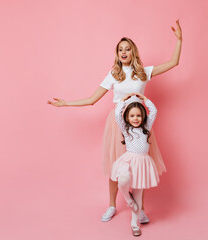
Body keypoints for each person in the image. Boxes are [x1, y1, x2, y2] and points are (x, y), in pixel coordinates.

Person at [47, 20, 182, 223]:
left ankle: (141, 209)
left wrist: (179, 40)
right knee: (115, 167)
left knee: (138, 166)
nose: (124, 52)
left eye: (128, 49)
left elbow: (173, 63)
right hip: (118, 123)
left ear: (133, 52)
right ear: (117, 54)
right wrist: (66, 103)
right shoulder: (113, 74)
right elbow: (92, 100)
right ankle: (112, 205)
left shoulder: (143, 71)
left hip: (139, 123)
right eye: (120, 49)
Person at [111, 93, 159, 237]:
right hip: (129, 161)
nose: (135, 118)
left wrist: (145, 99)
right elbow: (117, 115)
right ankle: (129, 200)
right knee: (122, 181)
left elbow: (154, 111)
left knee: (138, 192)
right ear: (127, 118)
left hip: (142, 162)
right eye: (132, 116)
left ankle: (134, 224)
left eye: (138, 115)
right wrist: (122, 101)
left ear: (143, 117)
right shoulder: (126, 129)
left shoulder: (147, 128)